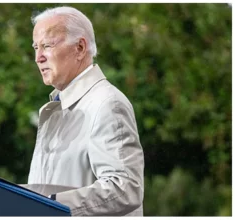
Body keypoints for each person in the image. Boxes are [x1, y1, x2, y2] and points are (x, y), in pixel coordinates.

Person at [27, 6, 145, 216]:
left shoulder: (107, 103)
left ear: (80, 48)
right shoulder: (55, 109)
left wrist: (51, 205)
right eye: (36, 47)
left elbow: (125, 188)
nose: (38, 57)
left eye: (46, 45)